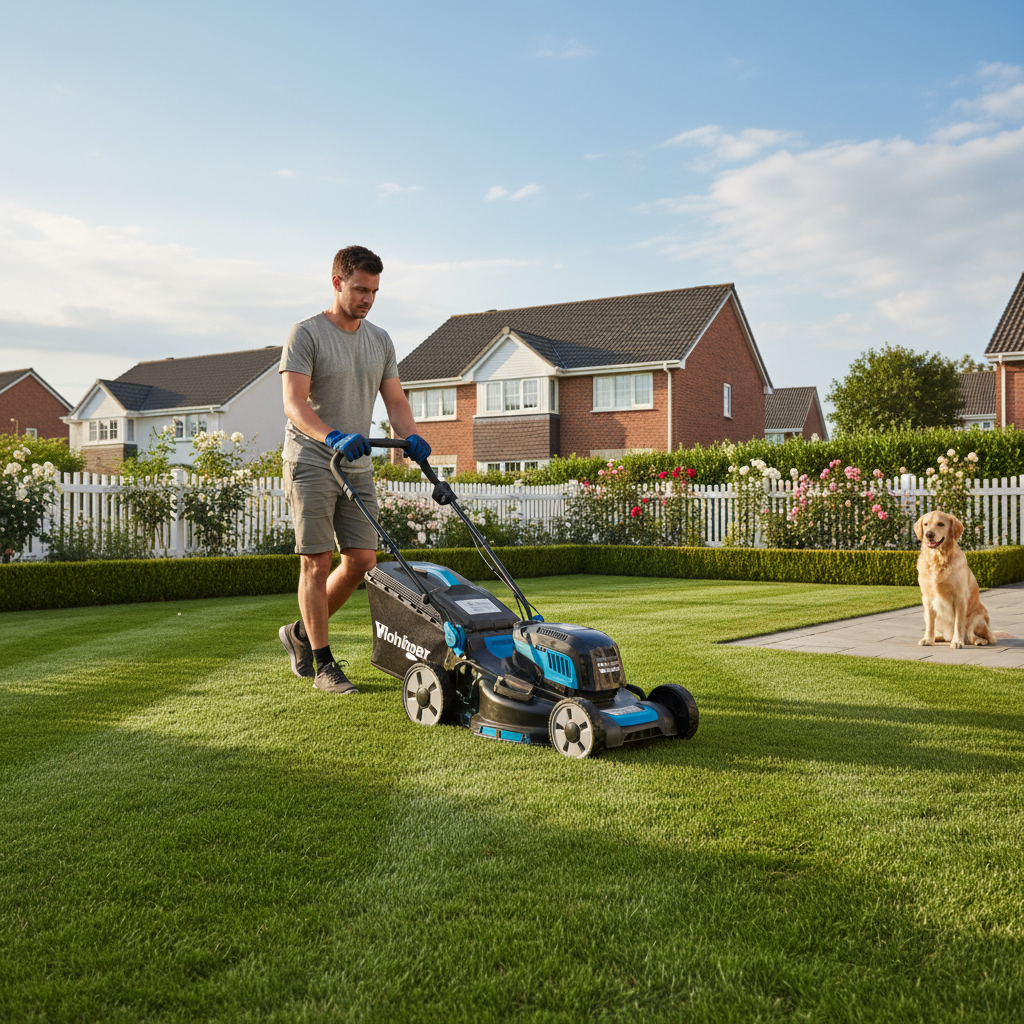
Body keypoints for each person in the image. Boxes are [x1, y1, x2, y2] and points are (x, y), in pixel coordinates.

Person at [277, 245, 430, 695]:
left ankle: (301, 633)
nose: (367, 298)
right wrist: (332, 436)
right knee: (316, 561)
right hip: (312, 457)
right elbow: (293, 404)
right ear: (337, 283)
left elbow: (396, 400)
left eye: (374, 291)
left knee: (363, 560)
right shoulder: (305, 334)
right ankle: (322, 662)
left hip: (357, 462)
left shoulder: (379, 340)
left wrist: (412, 439)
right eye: (360, 289)